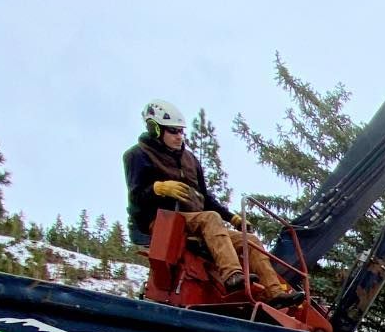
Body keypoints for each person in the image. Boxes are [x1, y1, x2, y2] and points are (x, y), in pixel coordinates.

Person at [124, 101, 302, 306]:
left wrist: (232, 218)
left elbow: (206, 199)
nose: (179, 136)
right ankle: (232, 275)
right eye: (173, 131)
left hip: (197, 222)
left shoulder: (189, 159)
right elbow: (136, 196)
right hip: (164, 222)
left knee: (249, 240)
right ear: (155, 129)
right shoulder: (137, 155)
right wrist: (158, 188)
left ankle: (275, 293)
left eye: (181, 131)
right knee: (210, 218)